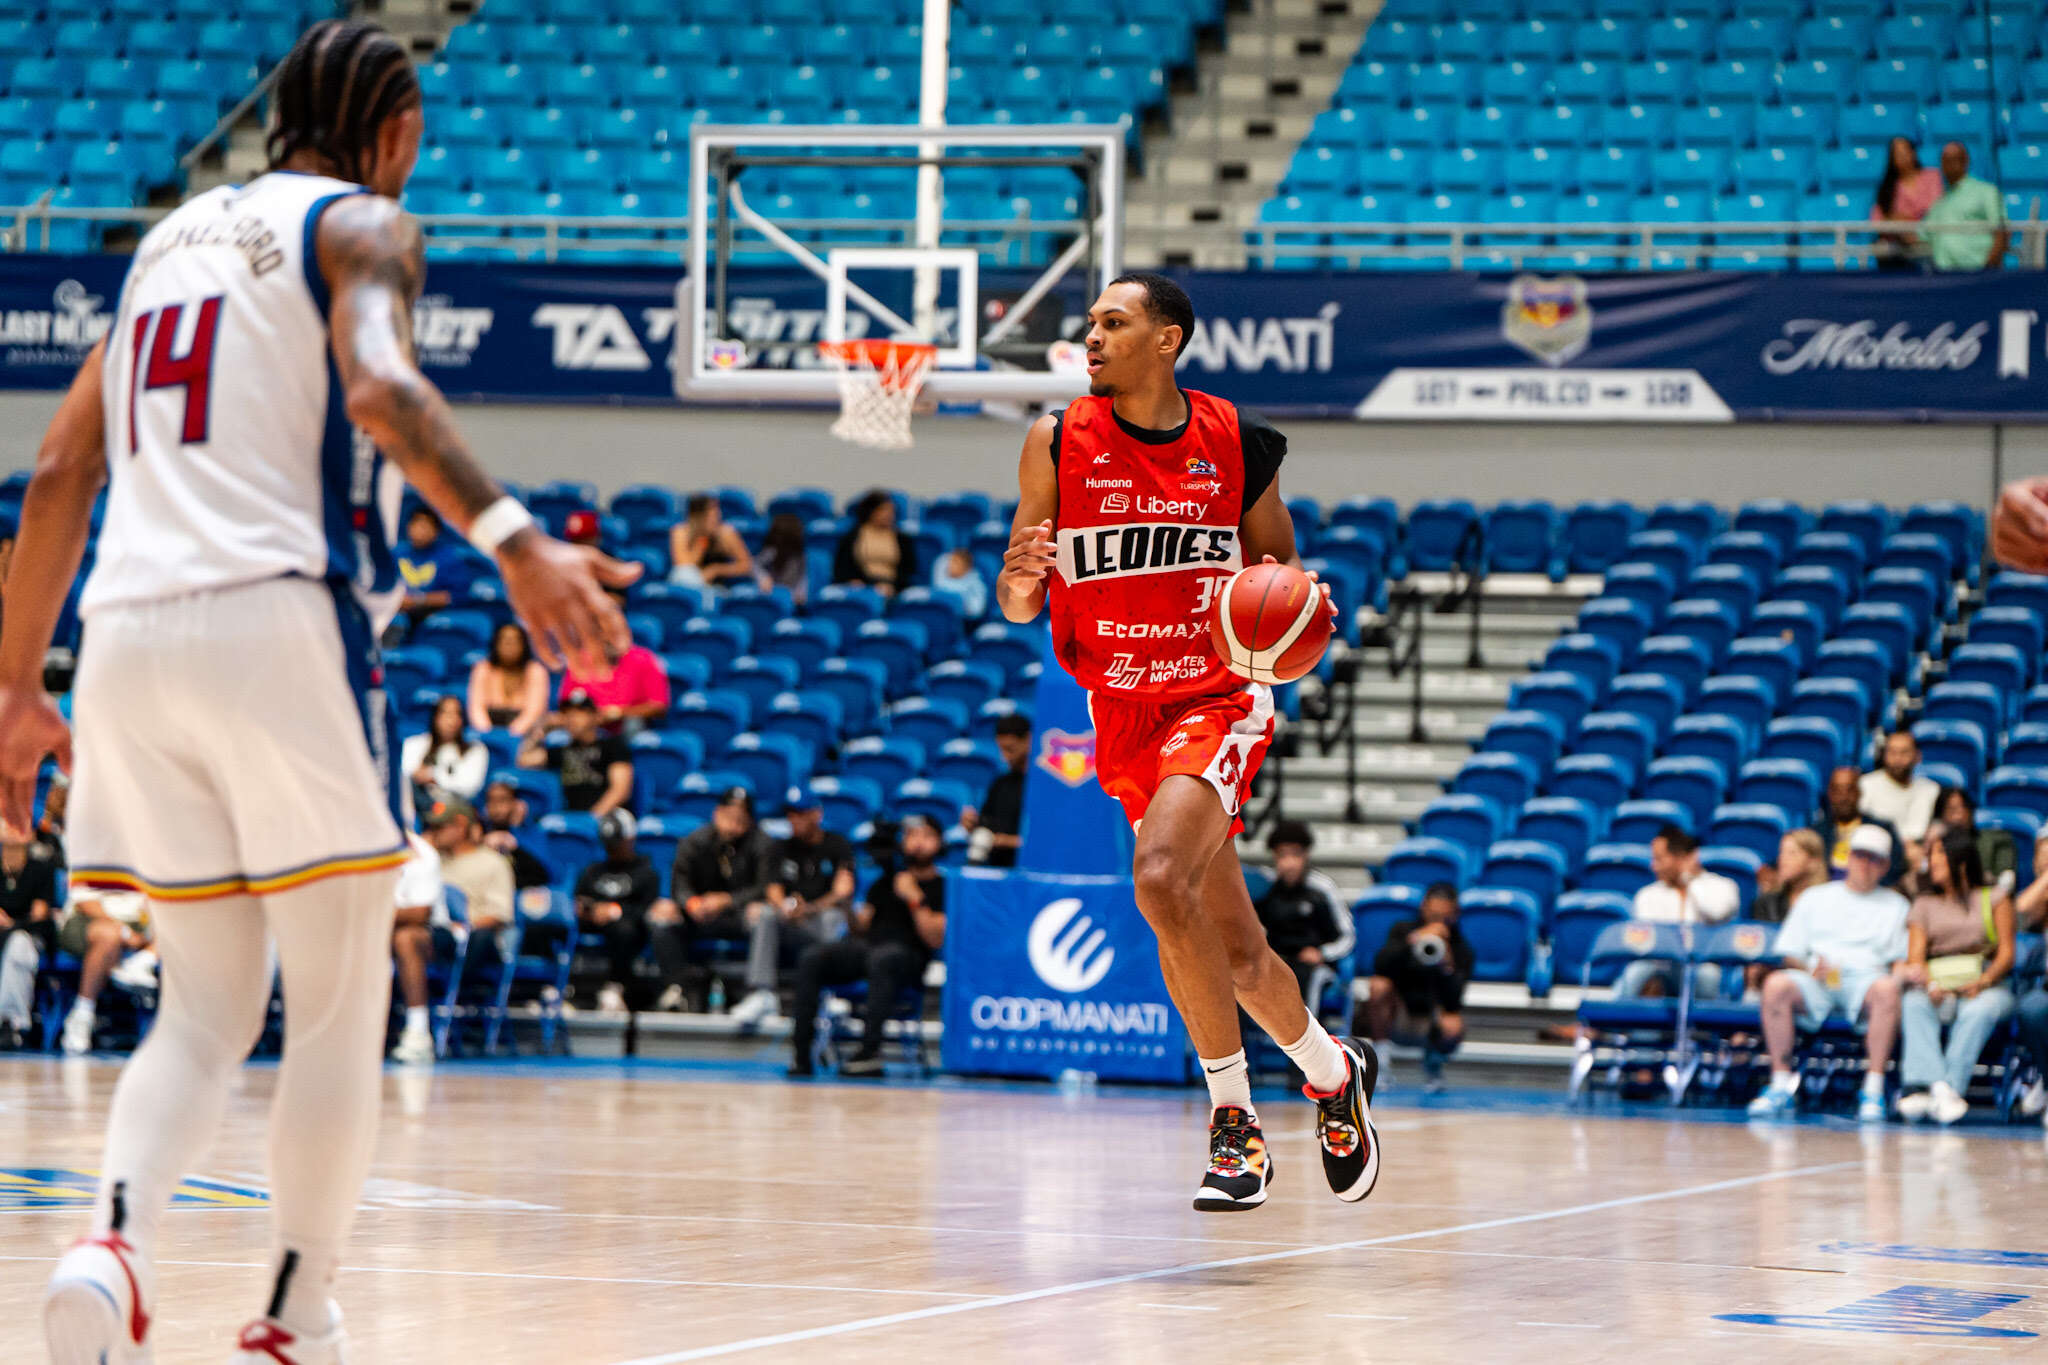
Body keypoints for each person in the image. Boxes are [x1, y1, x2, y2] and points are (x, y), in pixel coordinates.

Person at [0, 21, 636, 1359]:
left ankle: (111, 1246)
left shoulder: (163, 249)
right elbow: (384, 388)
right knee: (342, 995)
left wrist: (14, 688)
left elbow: (57, 478)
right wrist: (517, 539)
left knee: (208, 999)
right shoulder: (365, 229)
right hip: (280, 619)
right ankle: (294, 1312)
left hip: (121, 641)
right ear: (395, 134)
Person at [997, 268, 1375, 1213]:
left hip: (1215, 697)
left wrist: (1295, 611)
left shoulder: (1235, 441)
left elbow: (1280, 576)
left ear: (1167, 339)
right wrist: (1019, 573)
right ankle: (1333, 1074)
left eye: (1112, 322)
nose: (1091, 337)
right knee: (1239, 951)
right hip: (1120, 710)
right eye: (1090, 323)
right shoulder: (1056, 439)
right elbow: (1018, 599)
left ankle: (1232, 1122)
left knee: (1160, 877)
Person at [1747, 825, 1909, 1123]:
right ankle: (1781, 1084)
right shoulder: (1815, 897)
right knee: (1776, 985)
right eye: (1859, 855)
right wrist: (1810, 967)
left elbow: (1899, 960)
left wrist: (1895, 983)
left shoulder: (1897, 905)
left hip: (1866, 981)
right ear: (1848, 858)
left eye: (1873, 858)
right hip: (1816, 979)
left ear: (1885, 865)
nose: (1864, 863)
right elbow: (1790, 952)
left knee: (1887, 989)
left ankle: (1872, 1089)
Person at [787, 815, 947, 1078]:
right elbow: (860, 928)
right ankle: (801, 1053)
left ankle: (869, 1052)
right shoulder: (885, 882)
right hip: (871, 950)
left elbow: (935, 938)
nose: (918, 843)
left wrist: (915, 898)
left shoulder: (943, 885)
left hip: (908, 958)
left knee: (883, 958)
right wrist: (846, 902)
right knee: (812, 957)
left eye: (926, 836)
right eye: (912, 836)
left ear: (940, 842)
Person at [1895, 830, 2014, 1125]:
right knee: (1913, 1003)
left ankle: (1942, 1088)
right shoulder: (1923, 904)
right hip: (1938, 989)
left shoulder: (1994, 897)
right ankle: (1933, 1087)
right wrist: (1931, 985)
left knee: (1979, 1010)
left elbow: (2006, 954)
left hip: (1988, 987)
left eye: (1937, 856)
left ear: (1960, 861)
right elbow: (1916, 958)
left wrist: (1983, 982)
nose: (1930, 863)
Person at [729, 785, 857, 1025]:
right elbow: (773, 890)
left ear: (816, 814)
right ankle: (762, 993)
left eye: (800, 813)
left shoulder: (837, 846)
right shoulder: (780, 847)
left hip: (819, 923)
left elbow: (842, 892)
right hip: (790, 924)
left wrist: (808, 909)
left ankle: (827, 993)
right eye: (790, 814)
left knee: (833, 917)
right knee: (764, 913)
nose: (794, 820)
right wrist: (786, 909)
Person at [649, 786, 772, 1012]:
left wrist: (727, 900)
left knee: (763, 914)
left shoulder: (761, 844)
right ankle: (677, 989)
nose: (733, 825)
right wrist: (690, 902)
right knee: (662, 914)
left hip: (738, 916)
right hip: (701, 915)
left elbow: (764, 888)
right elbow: (680, 883)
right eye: (728, 816)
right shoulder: (695, 841)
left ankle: (756, 994)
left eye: (740, 819)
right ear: (716, 813)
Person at [1361, 882, 1472, 1095]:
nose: (1437, 921)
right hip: (1398, 1013)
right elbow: (1380, 965)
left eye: (1443, 916)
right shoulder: (1403, 931)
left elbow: (1454, 1001)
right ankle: (1381, 1065)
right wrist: (1414, 940)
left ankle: (1433, 1064)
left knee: (1453, 1024)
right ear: (1424, 908)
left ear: (1454, 915)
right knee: (1378, 985)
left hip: (1430, 1020)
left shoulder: (1461, 948)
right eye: (1433, 914)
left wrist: (1447, 966)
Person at [1617, 826, 1739, 999]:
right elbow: (1648, 941)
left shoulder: (1722, 886)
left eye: (1659, 859)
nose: (1653, 866)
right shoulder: (1647, 895)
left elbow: (1716, 912)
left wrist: (1689, 879)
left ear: (1681, 858)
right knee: (1636, 972)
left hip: (1704, 967)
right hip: (1661, 966)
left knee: (1709, 975)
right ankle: (1610, 1024)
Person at [1252, 820, 1354, 1013]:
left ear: (1306, 855)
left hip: (1314, 965)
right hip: (1277, 962)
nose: (1289, 863)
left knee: (1310, 978)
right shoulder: (1265, 890)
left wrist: (1322, 953)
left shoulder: (1323, 889)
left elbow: (1347, 937)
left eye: (1295, 854)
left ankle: (1307, 1040)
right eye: (1282, 855)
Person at [571, 808, 664, 1014]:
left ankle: (616, 986)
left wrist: (614, 910)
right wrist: (590, 910)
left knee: (624, 930)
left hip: (628, 928)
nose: (611, 849)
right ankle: (560, 988)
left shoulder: (646, 872)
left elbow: (647, 909)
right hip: (593, 923)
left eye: (617, 842)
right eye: (608, 843)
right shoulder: (593, 870)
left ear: (630, 838)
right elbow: (578, 899)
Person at [55, 884, 155, 1056]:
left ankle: (141, 963)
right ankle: (82, 1015)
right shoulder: (93, 858)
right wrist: (123, 931)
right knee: (108, 936)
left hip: (135, 922)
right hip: (89, 919)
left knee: (179, 923)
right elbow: (86, 902)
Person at [556, 591, 670, 731]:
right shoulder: (580, 661)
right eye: (603, 634)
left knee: (632, 725)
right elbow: (565, 705)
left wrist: (618, 713)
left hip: (625, 729)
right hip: (588, 730)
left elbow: (658, 706)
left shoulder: (644, 659)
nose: (609, 640)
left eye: (614, 634)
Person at [517, 689, 633, 816]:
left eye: (579, 713)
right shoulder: (563, 749)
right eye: (568, 714)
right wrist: (540, 730)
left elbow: (620, 791)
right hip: (572, 818)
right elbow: (523, 760)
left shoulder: (612, 745)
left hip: (607, 818)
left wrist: (591, 819)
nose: (572, 719)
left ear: (595, 717)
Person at [387, 830, 445, 1066]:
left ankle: (418, 1032)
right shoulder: (344, 846)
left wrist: (366, 915)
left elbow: (420, 914)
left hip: (432, 934)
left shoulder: (420, 852)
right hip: (375, 929)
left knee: (406, 938)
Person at [0, 833, 57, 1052]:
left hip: (28, 932)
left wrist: (10, 923)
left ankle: (10, 1023)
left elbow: (40, 913)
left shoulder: (41, 869)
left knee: (18, 946)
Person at [1811, 765, 1907, 886]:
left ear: (1859, 793)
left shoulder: (1882, 829)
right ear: (1829, 794)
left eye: (1849, 790)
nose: (1843, 797)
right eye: (1837, 790)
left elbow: (1895, 870)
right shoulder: (1816, 833)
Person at [1923, 142, 2009, 272]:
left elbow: (2002, 232)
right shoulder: (1940, 203)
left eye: (1954, 159)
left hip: (1979, 273)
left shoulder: (1987, 191)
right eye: (1945, 160)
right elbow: (1920, 234)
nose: (1949, 164)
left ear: (1965, 161)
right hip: (1944, 275)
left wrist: (1988, 269)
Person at [1921, 786, 2016, 897]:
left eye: (1964, 808)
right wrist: (1929, 845)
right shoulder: (1936, 846)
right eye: (1952, 810)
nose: (1960, 815)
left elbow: (2007, 881)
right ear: (1941, 815)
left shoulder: (1996, 840)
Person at [961, 713, 1029, 867]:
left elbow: (1051, 839)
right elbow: (987, 825)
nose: (1005, 757)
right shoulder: (1000, 784)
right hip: (998, 869)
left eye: (1010, 749)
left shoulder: (1042, 787)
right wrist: (972, 824)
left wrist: (1008, 841)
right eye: (1001, 749)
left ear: (1028, 740)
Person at [1859, 728, 1940, 854]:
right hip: (1876, 854)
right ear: (1883, 755)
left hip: (1919, 853)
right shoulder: (1865, 785)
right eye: (1892, 752)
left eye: (1904, 752)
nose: (1898, 758)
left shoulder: (1931, 790)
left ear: (1917, 756)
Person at [1869, 135, 1943, 271]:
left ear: (1913, 153)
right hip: (1898, 243)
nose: (1902, 156)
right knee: (1880, 247)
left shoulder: (1932, 176)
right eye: (1897, 153)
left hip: (1926, 239)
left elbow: (1936, 209)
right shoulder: (1888, 187)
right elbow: (1877, 221)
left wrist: (1907, 220)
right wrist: (1896, 222)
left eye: (1905, 151)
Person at [400, 694, 488, 803]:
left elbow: (470, 788)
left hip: (454, 807)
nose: (452, 720)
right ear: (435, 717)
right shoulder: (413, 744)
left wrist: (434, 776)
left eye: (457, 714)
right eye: (446, 714)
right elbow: (406, 775)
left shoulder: (476, 749)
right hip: (417, 803)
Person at [466, 621, 549, 737]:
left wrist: (511, 736)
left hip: (525, 733)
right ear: (496, 644)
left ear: (524, 645)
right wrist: (488, 735)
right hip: (487, 732)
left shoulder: (536, 671)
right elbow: (476, 708)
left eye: (515, 640)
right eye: (504, 640)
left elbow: (534, 711)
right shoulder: (482, 668)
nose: (509, 645)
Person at [833, 489, 915, 596]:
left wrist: (894, 586)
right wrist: (853, 581)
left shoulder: (902, 539)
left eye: (891, 511)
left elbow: (908, 569)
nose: (888, 515)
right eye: (883, 510)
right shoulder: (852, 537)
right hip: (861, 586)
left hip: (892, 587)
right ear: (872, 511)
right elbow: (842, 567)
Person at [668, 492, 758, 590]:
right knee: (683, 573)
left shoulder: (726, 532)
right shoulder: (680, 531)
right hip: (690, 584)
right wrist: (703, 539)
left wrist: (717, 569)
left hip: (715, 588)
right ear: (697, 515)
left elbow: (746, 565)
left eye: (717, 510)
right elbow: (685, 565)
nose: (718, 514)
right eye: (711, 511)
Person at [396, 505, 471, 620]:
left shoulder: (448, 557)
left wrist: (416, 600)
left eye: (425, 526)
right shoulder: (396, 552)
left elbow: (456, 595)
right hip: (396, 610)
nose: (420, 530)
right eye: (416, 524)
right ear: (408, 527)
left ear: (436, 531)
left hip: (430, 613)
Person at [479, 777, 553, 890]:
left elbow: (543, 874)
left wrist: (515, 844)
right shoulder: (480, 830)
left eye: (502, 800)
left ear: (515, 803)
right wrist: (482, 843)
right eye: (491, 800)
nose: (496, 807)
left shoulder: (531, 830)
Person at [1751, 828, 1829, 925]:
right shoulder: (1766, 904)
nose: (1783, 859)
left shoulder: (1829, 905)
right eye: (1781, 852)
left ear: (1812, 861)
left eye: (1792, 853)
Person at [756, 512, 809, 604]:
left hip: (794, 602)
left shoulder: (803, 557)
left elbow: (802, 593)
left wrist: (796, 595)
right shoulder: (771, 552)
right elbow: (754, 565)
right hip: (772, 597)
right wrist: (763, 577)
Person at [930, 546, 988, 621]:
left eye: (956, 563)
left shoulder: (975, 584)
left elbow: (977, 610)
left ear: (966, 568)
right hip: (940, 617)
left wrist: (961, 605)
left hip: (964, 622)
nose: (950, 565)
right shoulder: (942, 579)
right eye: (951, 561)